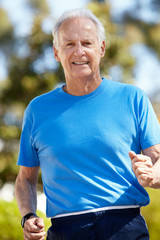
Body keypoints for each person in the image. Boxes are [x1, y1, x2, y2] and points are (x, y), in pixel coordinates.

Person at [15, 8, 160, 240]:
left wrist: (152, 175)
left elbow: (157, 159)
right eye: (69, 44)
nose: (79, 51)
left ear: (101, 48)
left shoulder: (133, 98)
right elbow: (25, 179)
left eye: (87, 42)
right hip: (66, 230)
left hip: (125, 226)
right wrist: (28, 215)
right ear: (56, 52)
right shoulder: (37, 110)